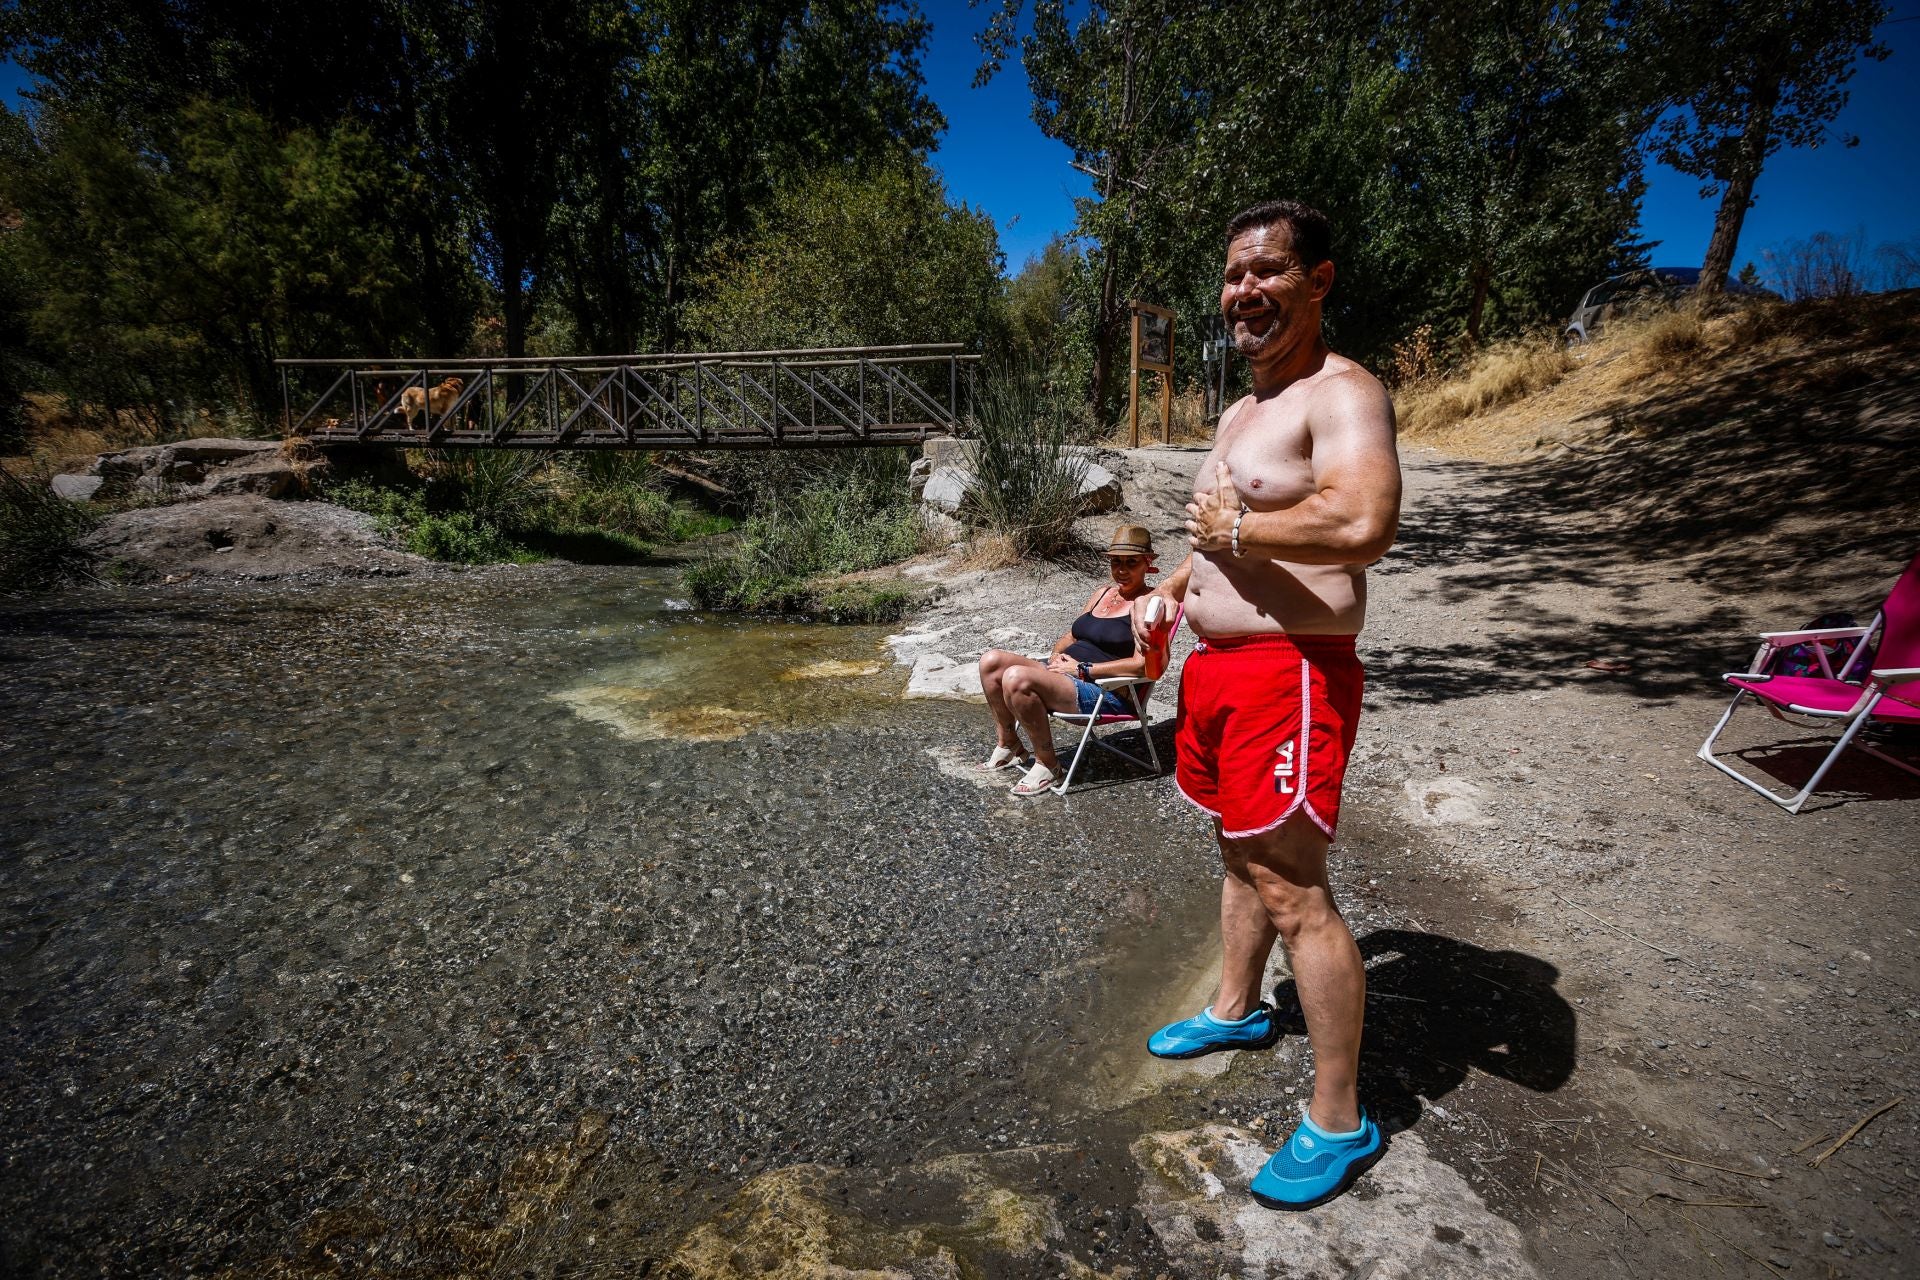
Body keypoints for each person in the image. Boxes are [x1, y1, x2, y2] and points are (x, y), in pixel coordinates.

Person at [1137, 199, 1402, 1210]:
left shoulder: (1343, 392)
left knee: (1297, 890)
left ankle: (1339, 1118)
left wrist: (1243, 529)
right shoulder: (1241, 411)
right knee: (1236, 848)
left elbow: (1366, 516)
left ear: (1318, 282)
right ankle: (1240, 1007)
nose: (1245, 291)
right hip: (1216, 668)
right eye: (1234, 274)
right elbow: (1215, 532)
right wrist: (1171, 593)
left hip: (1288, 670)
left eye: (1269, 272)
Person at [976, 525, 1162, 796]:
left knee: (1016, 677)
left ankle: (1049, 765)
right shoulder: (1102, 594)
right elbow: (1071, 635)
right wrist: (1055, 656)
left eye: (1131, 562)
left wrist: (1081, 668)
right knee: (991, 661)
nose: (1122, 569)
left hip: (1104, 690)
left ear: (1148, 564)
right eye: (1116, 561)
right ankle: (1010, 746)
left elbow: (1143, 665)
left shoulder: (1151, 604)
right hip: (1065, 674)